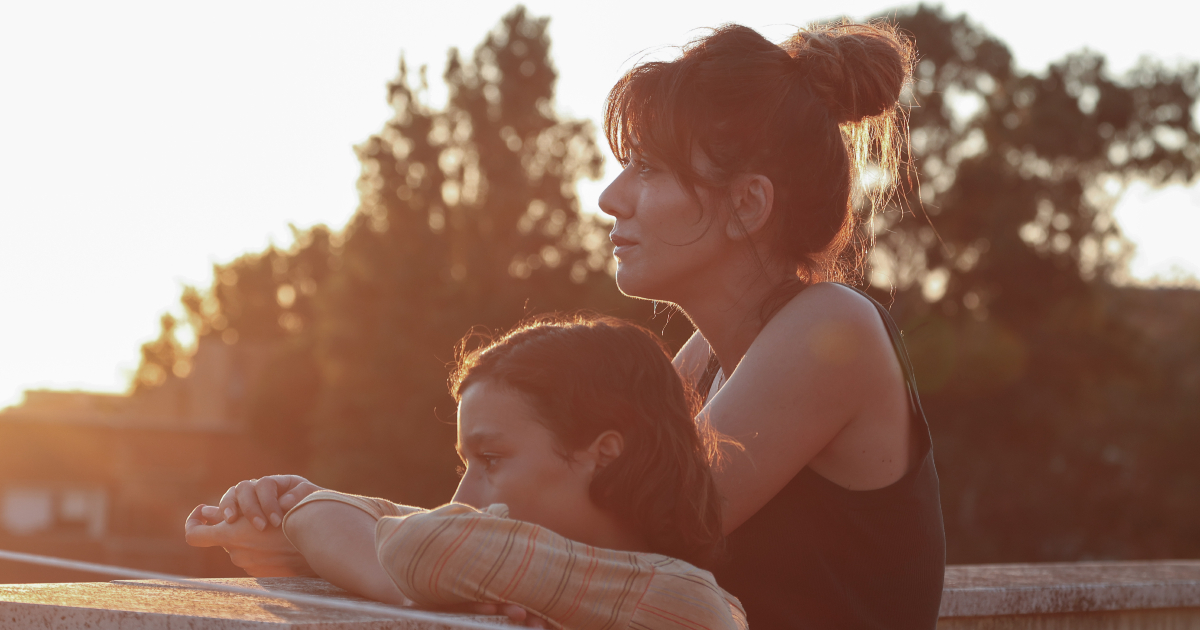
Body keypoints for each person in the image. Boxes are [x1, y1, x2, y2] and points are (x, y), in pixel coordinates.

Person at [196, 19, 946, 629]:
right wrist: (307, 514)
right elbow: (500, 527)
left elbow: (554, 552)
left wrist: (325, 530)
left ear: (748, 204)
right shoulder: (703, 361)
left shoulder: (832, 334)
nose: (610, 199)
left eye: (649, 170)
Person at [188, 315, 747, 630]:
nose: (463, 492)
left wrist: (408, 589)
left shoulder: (683, 601)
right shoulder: (551, 582)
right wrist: (306, 514)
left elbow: (428, 547)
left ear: (604, 453)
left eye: (493, 460)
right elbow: (363, 520)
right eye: (466, 463)